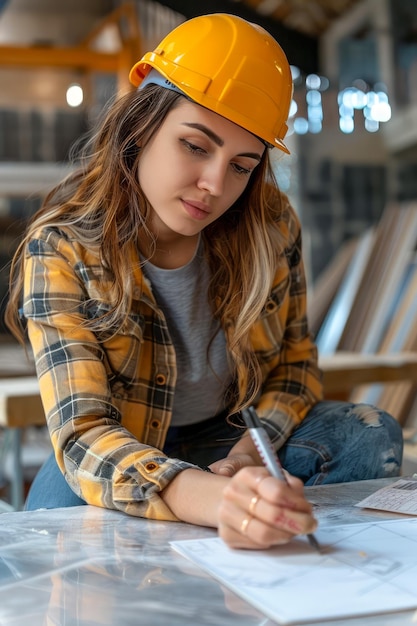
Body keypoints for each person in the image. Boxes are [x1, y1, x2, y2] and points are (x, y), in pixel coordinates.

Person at [6, 13, 402, 551]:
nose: (215, 185)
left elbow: (294, 367)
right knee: (57, 521)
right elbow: (83, 437)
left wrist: (245, 457)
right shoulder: (62, 249)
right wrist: (218, 502)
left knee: (366, 429)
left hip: (228, 435)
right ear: (139, 127)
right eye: (195, 145)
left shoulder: (269, 223)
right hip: (125, 445)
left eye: (242, 165)